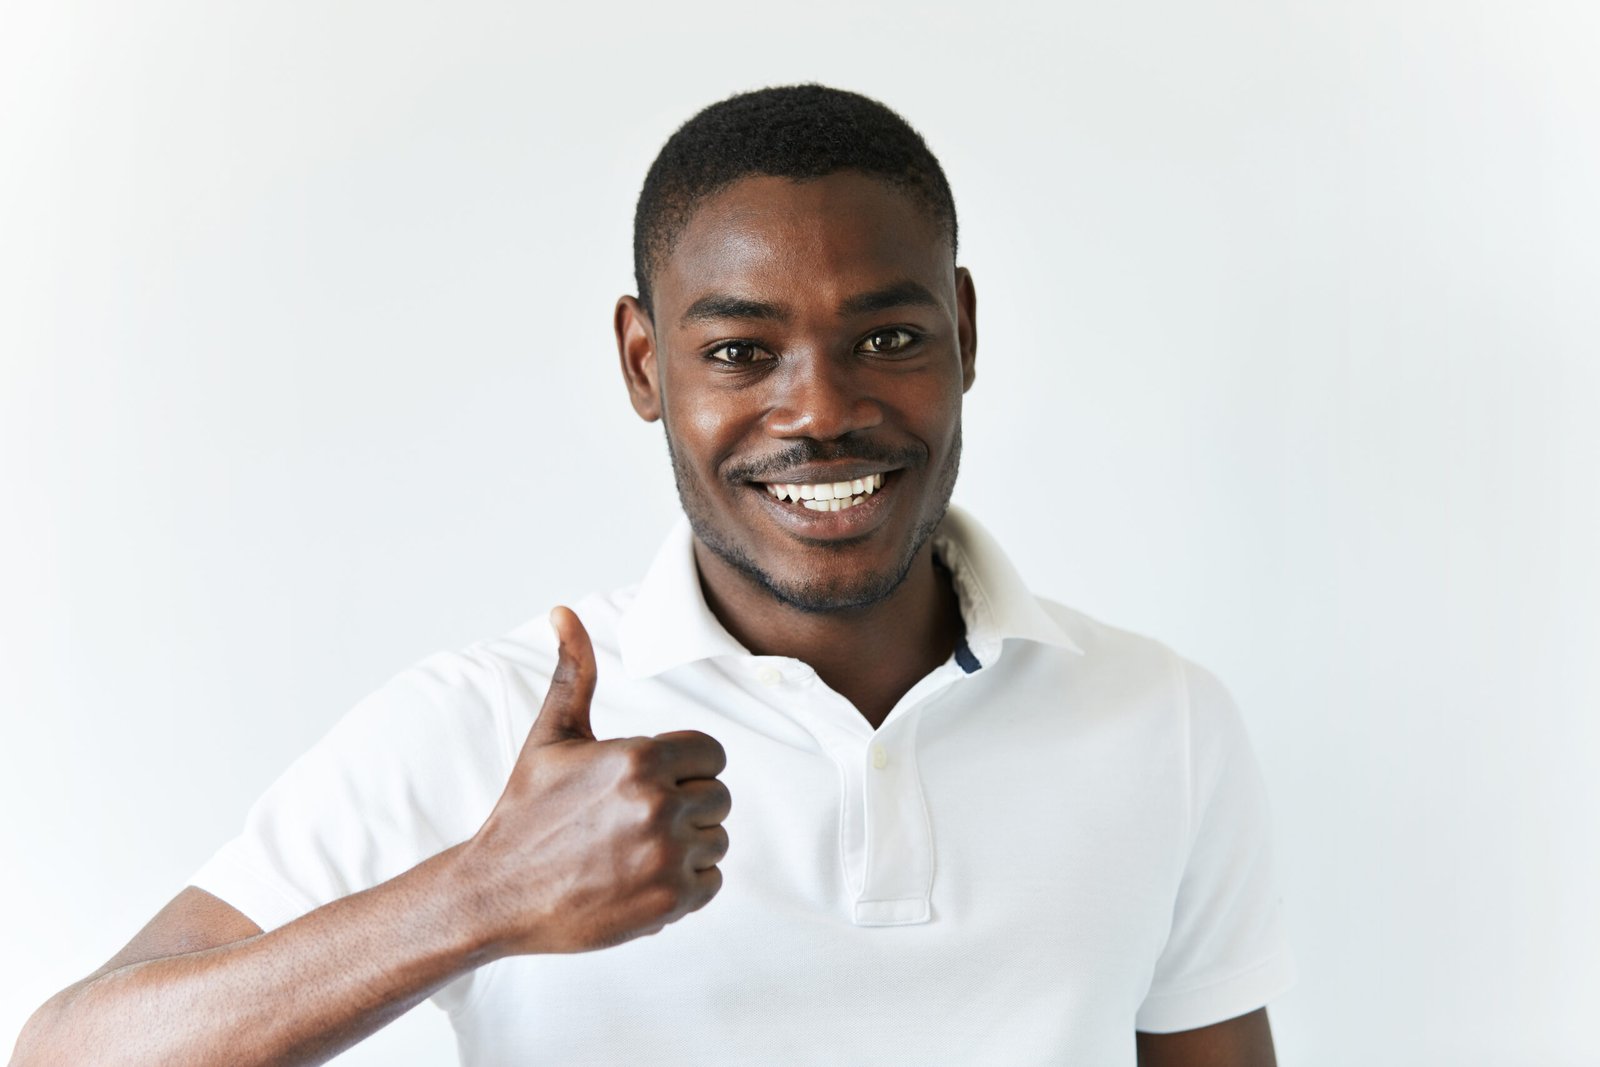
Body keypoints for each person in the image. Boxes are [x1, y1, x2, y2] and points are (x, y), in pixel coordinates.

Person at [13, 85, 1293, 1066]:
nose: (821, 409)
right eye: (740, 351)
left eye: (888, 337)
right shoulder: (490, 728)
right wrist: (480, 894)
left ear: (963, 330)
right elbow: (70, 1053)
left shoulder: (1163, 720)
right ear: (644, 365)